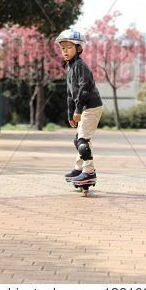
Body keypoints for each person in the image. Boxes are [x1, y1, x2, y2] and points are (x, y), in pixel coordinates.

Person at [55, 29, 103, 186]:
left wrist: (78, 110)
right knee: (78, 140)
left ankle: (89, 172)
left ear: (79, 48)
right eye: (63, 48)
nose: (65, 51)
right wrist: (71, 114)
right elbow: (70, 93)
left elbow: (84, 89)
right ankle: (79, 168)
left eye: (69, 47)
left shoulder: (80, 66)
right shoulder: (69, 68)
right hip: (84, 107)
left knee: (83, 140)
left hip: (91, 106)